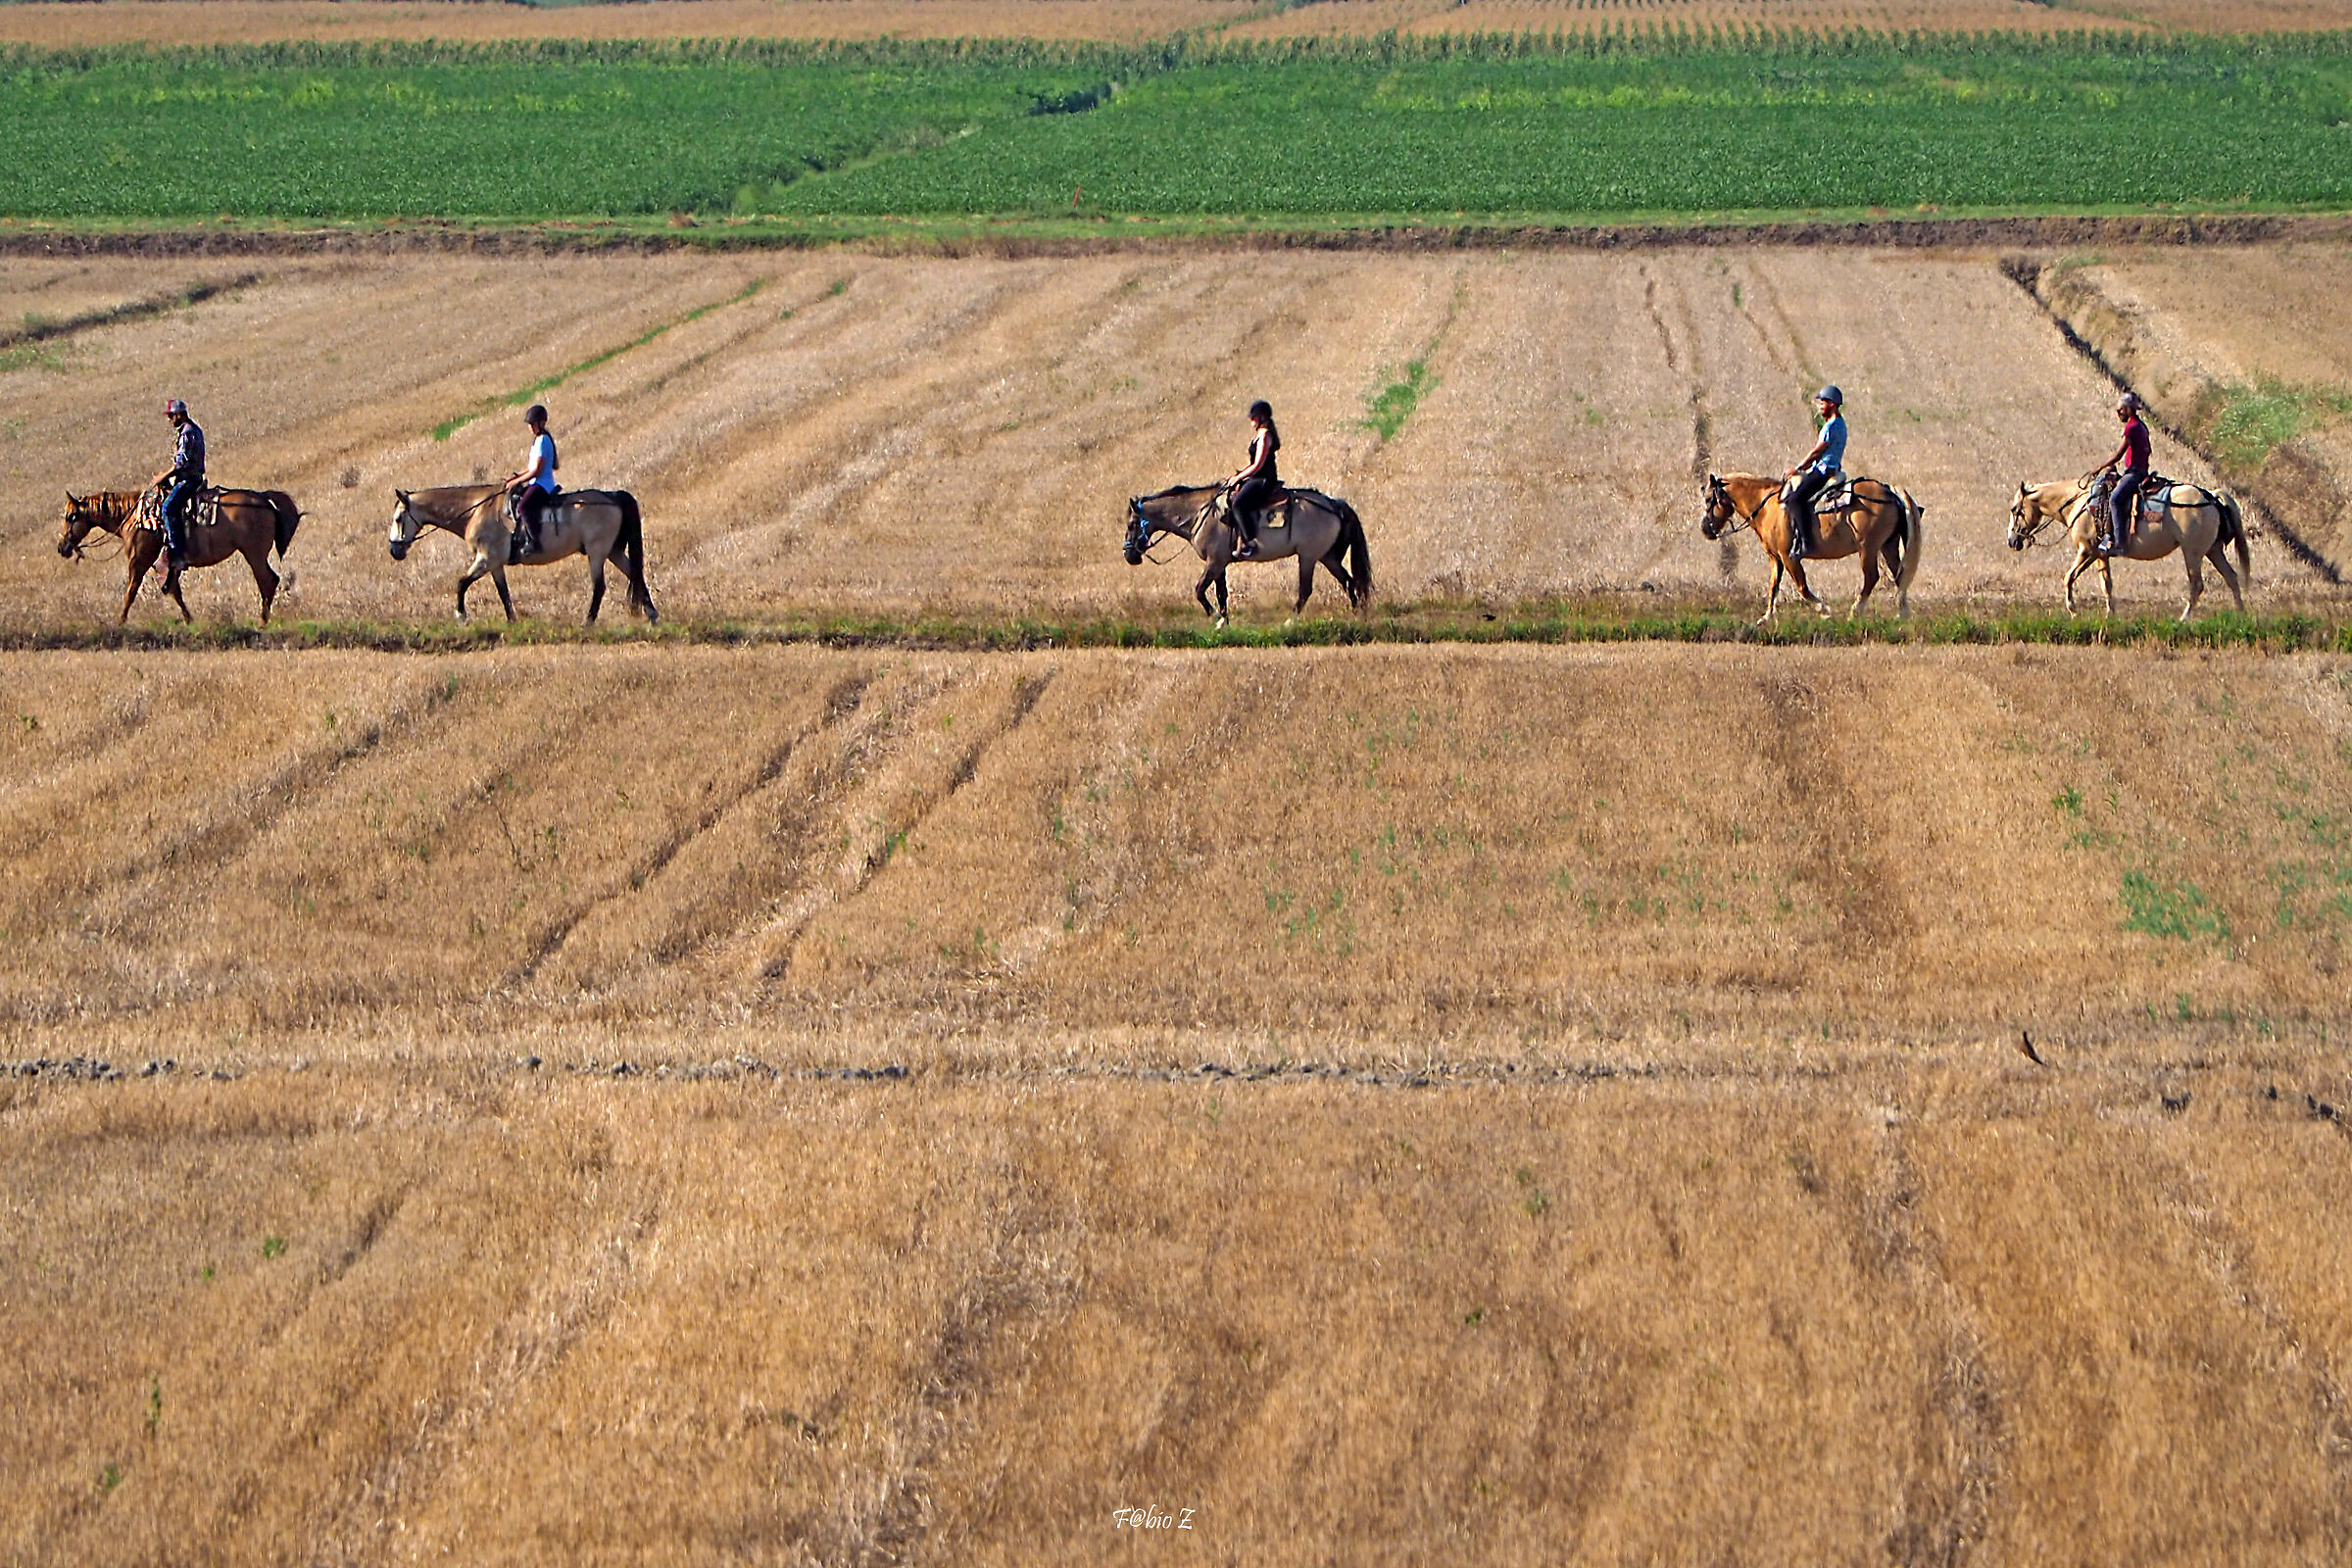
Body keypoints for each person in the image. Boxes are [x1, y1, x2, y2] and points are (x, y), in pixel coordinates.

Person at [1783, 385, 1846, 562]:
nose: (1820, 406)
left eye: (1823, 402)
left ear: (1832, 404)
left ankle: (1806, 543)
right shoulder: (1841, 424)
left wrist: (1798, 468)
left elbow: (1816, 452)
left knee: (1794, 500)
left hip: (1822, 472)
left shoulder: (1830, 427)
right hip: (1832, 469)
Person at [151, 398, 205, 592]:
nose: (170, 420)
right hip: (191, 478)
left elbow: (181, 463)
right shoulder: (192, 430)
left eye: (171, 416)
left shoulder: (188, 433)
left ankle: (177, 552)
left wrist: (162, 477)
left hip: (189, 481)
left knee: (168, 508)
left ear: (179, 415)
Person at [2097, 392, 2153, 557]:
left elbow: (2118, 455)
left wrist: (2100, 467)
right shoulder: (2142, 426)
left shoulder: (2131, 427)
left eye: (2120, 410)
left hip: (2134, 473)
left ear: (2128, 409)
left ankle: (2120, 544)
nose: (2118, 414)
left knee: (2115, 500)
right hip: (2141, 471)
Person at [1225, 399, 1282, 560]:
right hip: (1257, 477)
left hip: (1264, 480)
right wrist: (1240, 475)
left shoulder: (1265, 437)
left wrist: (1239, 477)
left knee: (1238, 504)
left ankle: (1249, 543)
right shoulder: (1261, 434)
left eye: (1253, 417)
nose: (1251, 420)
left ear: (1261, 418)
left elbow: (1257, 465)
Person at [502, 404, 560, 560]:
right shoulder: (537, 441)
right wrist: (515, 478)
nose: (530, 427)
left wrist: (517, 482)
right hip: (536, 483)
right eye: (529, 424)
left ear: (541, 423)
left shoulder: (543, 441)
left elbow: (537, 471)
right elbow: (530, 469)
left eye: (532, 423)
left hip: (543, 485)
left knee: (523, 506)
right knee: (516, 500)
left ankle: (536, 542)